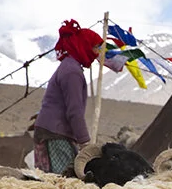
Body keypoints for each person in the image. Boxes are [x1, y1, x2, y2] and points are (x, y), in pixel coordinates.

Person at [32, 23, 124, 175]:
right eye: (95, 47)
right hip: (56, 135)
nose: (97, 53)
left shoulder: (70, 66)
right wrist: (85, 143)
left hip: (52, 131)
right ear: (84, 46)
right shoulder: (72, 72)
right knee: (63, 182)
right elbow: (74, 111)